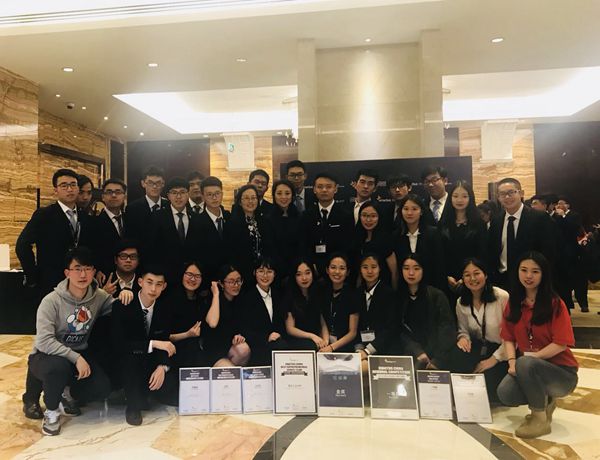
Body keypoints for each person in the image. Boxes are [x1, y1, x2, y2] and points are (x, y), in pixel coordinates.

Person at [22, 247, 131, 435]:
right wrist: (76, 358)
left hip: (78, 353)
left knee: (102, 388)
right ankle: (51, 412)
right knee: (57, 368)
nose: (83, 274)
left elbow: (116, 309)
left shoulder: (98, 297)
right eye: (77, 269)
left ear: (94, 272)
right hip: (48, 355)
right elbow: (44, 341)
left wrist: (126, 295)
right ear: (67, 273)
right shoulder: (51, 301)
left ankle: (67, 393)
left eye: (88, 269)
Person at [497, 252, 579, 439]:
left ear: (544, 275)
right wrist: (512, 362)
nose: (528, 276)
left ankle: (539, 419)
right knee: (505, 393)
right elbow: (508, 337)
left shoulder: (555, 304)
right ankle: (545, 401)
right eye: (524, 270)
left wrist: (531, 358)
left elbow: (561, 344)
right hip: (529, 367)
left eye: (535, 271)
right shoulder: (514, 303)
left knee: (526, 363)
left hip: (562, 374)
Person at [111, 265, 178, 426]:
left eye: (158, 284)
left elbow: (164, 340)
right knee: (131, 362)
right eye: (149, 282)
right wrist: (153, 343)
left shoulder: (164, 308)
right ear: (140, 282)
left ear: (164, 286)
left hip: (150, 360)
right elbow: (119, 345)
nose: (153, 289)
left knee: (170, 386)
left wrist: (162, 366)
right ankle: (132, 406)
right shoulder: (123, 305)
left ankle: (145, 394)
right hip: (127, 360)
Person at [17, 168, 94, 295]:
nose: (69, 189)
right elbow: (22, 245)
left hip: (80, 283)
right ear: (55, 190)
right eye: (64, 185)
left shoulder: (85, 217)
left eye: (73, 185)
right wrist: (32, 275)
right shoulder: (44, 214)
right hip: (51, 282)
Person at [449, 258, 509, 403]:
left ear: (485, 275)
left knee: (488, 387)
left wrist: (493, 359)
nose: (472, 279)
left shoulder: (501, 297)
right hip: (478, 347)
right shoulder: (461, 302)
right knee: (456, 357)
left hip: (502, 351)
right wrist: (463, 338)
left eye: (477, 273)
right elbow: (463, 329)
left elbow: (512, 336)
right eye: (467, 275)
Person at [487, 178, 556, 290]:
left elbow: (548, 252)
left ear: (521, 193)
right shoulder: (496, 220)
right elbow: (492, 250)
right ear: (498, 197)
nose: (507, 197)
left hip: (529, 281)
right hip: (501, 279)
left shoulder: (539, 218)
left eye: (511, 192)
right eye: (502, 194)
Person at [390, 253, 455, 370]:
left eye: (416, 268)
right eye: (406, 268)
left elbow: (446, 329)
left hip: (438, 357)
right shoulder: (398, 298)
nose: (411, 273)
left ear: (424, 270)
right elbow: (399, 330)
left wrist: (438, 360)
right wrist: (417, 351)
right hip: (410, 353)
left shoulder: (436, 296)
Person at [148, 177, 202, 285]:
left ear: (188, 194)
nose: (178, 196)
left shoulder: (197, 218)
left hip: (191, 277)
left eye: (182, 192)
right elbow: (152, 249)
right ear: (168, 196)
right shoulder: (157, 218)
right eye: (174, 193)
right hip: (167, 276)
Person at [300, 172, 354, 277]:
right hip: (312, 270)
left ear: (336, 189)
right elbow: (303, 244)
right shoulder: (306, 215)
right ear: (314, 189)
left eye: (328, 187)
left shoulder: (345, 215)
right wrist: (311, 266)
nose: (324, 190)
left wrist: (336, 267)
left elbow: (348, 245)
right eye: (320, 187)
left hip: (337, 271)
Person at [166, 262, 218, 369]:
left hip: (198, 352)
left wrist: (216, 294)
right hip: (174, 352)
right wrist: (187, 334)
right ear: (182, 274)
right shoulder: (170, 299)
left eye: (197, 276)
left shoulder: (202, 299)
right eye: (189, 274)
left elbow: (212, 323)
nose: (193, 279)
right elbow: (165, 336)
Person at [238, 258, 289, 365]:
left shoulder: (279, 295)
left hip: (278, 344)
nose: (265, 276)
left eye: (269, 271)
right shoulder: (246, 297)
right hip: (256, 346)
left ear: (274, 274)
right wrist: (266, 337)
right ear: (254, 273)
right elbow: (244, 328)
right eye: (261, 271)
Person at [440, 180, 487, 294]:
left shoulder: (479, 224)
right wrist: (446, 276)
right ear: (450, 198)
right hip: (447, 280)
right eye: (455, 196)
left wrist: (466, 277)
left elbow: (482, 253)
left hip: (472, 279)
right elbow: (439, 253)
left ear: (470, 198)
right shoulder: (443, 223)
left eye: (464, 196)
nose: (459, 200)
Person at [393, 193, 446, 291]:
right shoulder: (396, 236)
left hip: (430, 287)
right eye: (406, 209)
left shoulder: (433, 234)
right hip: (404, 289)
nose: (409, 213)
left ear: (421, 211)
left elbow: (439, 265)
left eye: (414, 209)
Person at [354, 254, 396, 374]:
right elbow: (355, 327)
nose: (369, 271)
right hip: (360, 350)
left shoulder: (389, 294)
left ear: (380, 268)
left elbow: (391, 328)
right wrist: (359, 350)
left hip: (384, 350)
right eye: (365, 267)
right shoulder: (356, 293)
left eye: (373, 267)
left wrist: (368, 351)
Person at [202, 265, 250, 367]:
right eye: (231, 281)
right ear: (221, 283)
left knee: (244, 349)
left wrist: (239, 336)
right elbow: (212, 323)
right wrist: (216, 294)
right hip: (213, 350)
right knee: (231, 372)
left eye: (238, 281)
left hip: (230, 347)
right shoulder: (213, 300)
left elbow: (242, 326)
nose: (236, 285)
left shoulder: (241, 300)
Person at [225, 184, 273, 284]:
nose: (250, 201)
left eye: (253, 198)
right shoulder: (232, 223)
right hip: (242, 273)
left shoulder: (264, 221)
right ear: (240, 202)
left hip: (263, 272)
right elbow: (231, 252)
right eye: (246, 198)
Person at [316, 253, 359, 353]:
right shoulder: (322, 291)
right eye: (333, 267)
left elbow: (352, 332)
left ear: (347, 272)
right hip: (326, 343)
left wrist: (331, 347)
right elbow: (322, 321)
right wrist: (326, 341)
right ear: (327, 270)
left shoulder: (353, 295)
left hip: (346, 346)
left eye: (342, 268)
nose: (337, 272)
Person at [284, 259, 329, 351]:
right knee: (310, 346)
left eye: (307, 273)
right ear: (294, 277)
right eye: (299, 274)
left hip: (316, 339)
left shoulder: (318, 293)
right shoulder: (289, 296)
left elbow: (323, 324)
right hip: (297, 340)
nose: (304, 278)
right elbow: (290, 329)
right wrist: (312, 336)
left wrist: (326, 341)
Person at [554, 196, 589, 312]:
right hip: (560, 252)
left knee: (578, 279)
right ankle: (567, 303)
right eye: (558, 203)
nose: (559, 205)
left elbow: (574, 229)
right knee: (564, 280)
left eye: (561, 203)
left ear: (567, 205)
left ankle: (583, 303)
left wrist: (563, 216)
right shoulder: (555, 216)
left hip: (573, 252)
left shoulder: (574, 215)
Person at [352, 201, 399, 290]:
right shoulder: (357, 239)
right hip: (363, 288)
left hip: (383, 288)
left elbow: (394, 272)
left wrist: (394, 294)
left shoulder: (385, 240)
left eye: (373, 216)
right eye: (364, 215)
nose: (368, 220)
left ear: (379, 217)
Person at [124, 165, 169, 246]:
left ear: (163, 184)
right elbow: (130, 238)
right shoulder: (132, 209)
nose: (154, 186)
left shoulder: (169, 205)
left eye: (158, 183)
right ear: (143, 183)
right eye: (150, 183)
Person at [197, 176, 231, 282]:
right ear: (203, 196)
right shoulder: (196, 222)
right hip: (209, 278)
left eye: (217, 193)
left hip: (230, 277)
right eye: (209, 194)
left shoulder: (229, 217)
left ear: (222, 194)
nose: (214, 198)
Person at [92, 178, 128, 279]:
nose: (114, 195)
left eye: (118, 192)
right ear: (103, 197)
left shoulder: (131, 219)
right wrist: (97, 270)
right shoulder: (93, 223)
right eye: (109, 192)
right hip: (105, 275)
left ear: (124, 196)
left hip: (130, 274)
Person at [268, 179, 301, 280]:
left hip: (297, 269)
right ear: (274, 195)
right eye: (279, 193)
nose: (283, 197)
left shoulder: (299, 217)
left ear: (292, 195)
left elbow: (302, 244)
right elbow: (270, 248)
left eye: (287, 193)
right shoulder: (268, 219)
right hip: (275, 270)